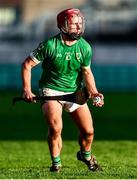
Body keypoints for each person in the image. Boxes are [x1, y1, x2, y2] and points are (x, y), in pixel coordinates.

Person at [21, 8, 104, 172]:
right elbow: (27, 65)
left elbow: (87, 72)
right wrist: (27, 90)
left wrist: (94, 92)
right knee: (55, 127)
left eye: (80, 24)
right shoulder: (49, 45)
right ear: (63, 26)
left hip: (75, 92)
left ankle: (86, 155)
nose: (78, 28)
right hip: (51, 90)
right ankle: (56, 163)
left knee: (88, 131)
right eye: (74, 25)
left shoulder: (85, 47)